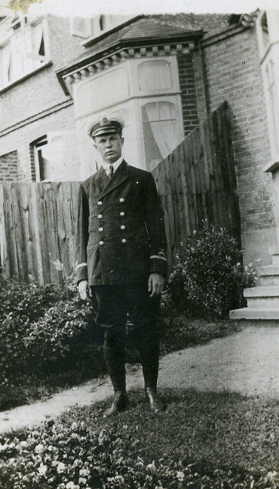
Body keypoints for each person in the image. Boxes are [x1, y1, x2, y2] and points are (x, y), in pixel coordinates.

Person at [76, 116, 168, 417]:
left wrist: (157, 268)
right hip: (104, 271)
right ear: (95, 147)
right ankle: (119, 395)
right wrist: (83, 275)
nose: (108, 145)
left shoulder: (141, 178)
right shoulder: (88, 186)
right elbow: (83, 233)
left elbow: (156, 225)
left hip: (137, 269)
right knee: (111, 333)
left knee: (146, 329)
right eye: (102, 141)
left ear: (122, 142)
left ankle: (151, 390)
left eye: (112, 139)